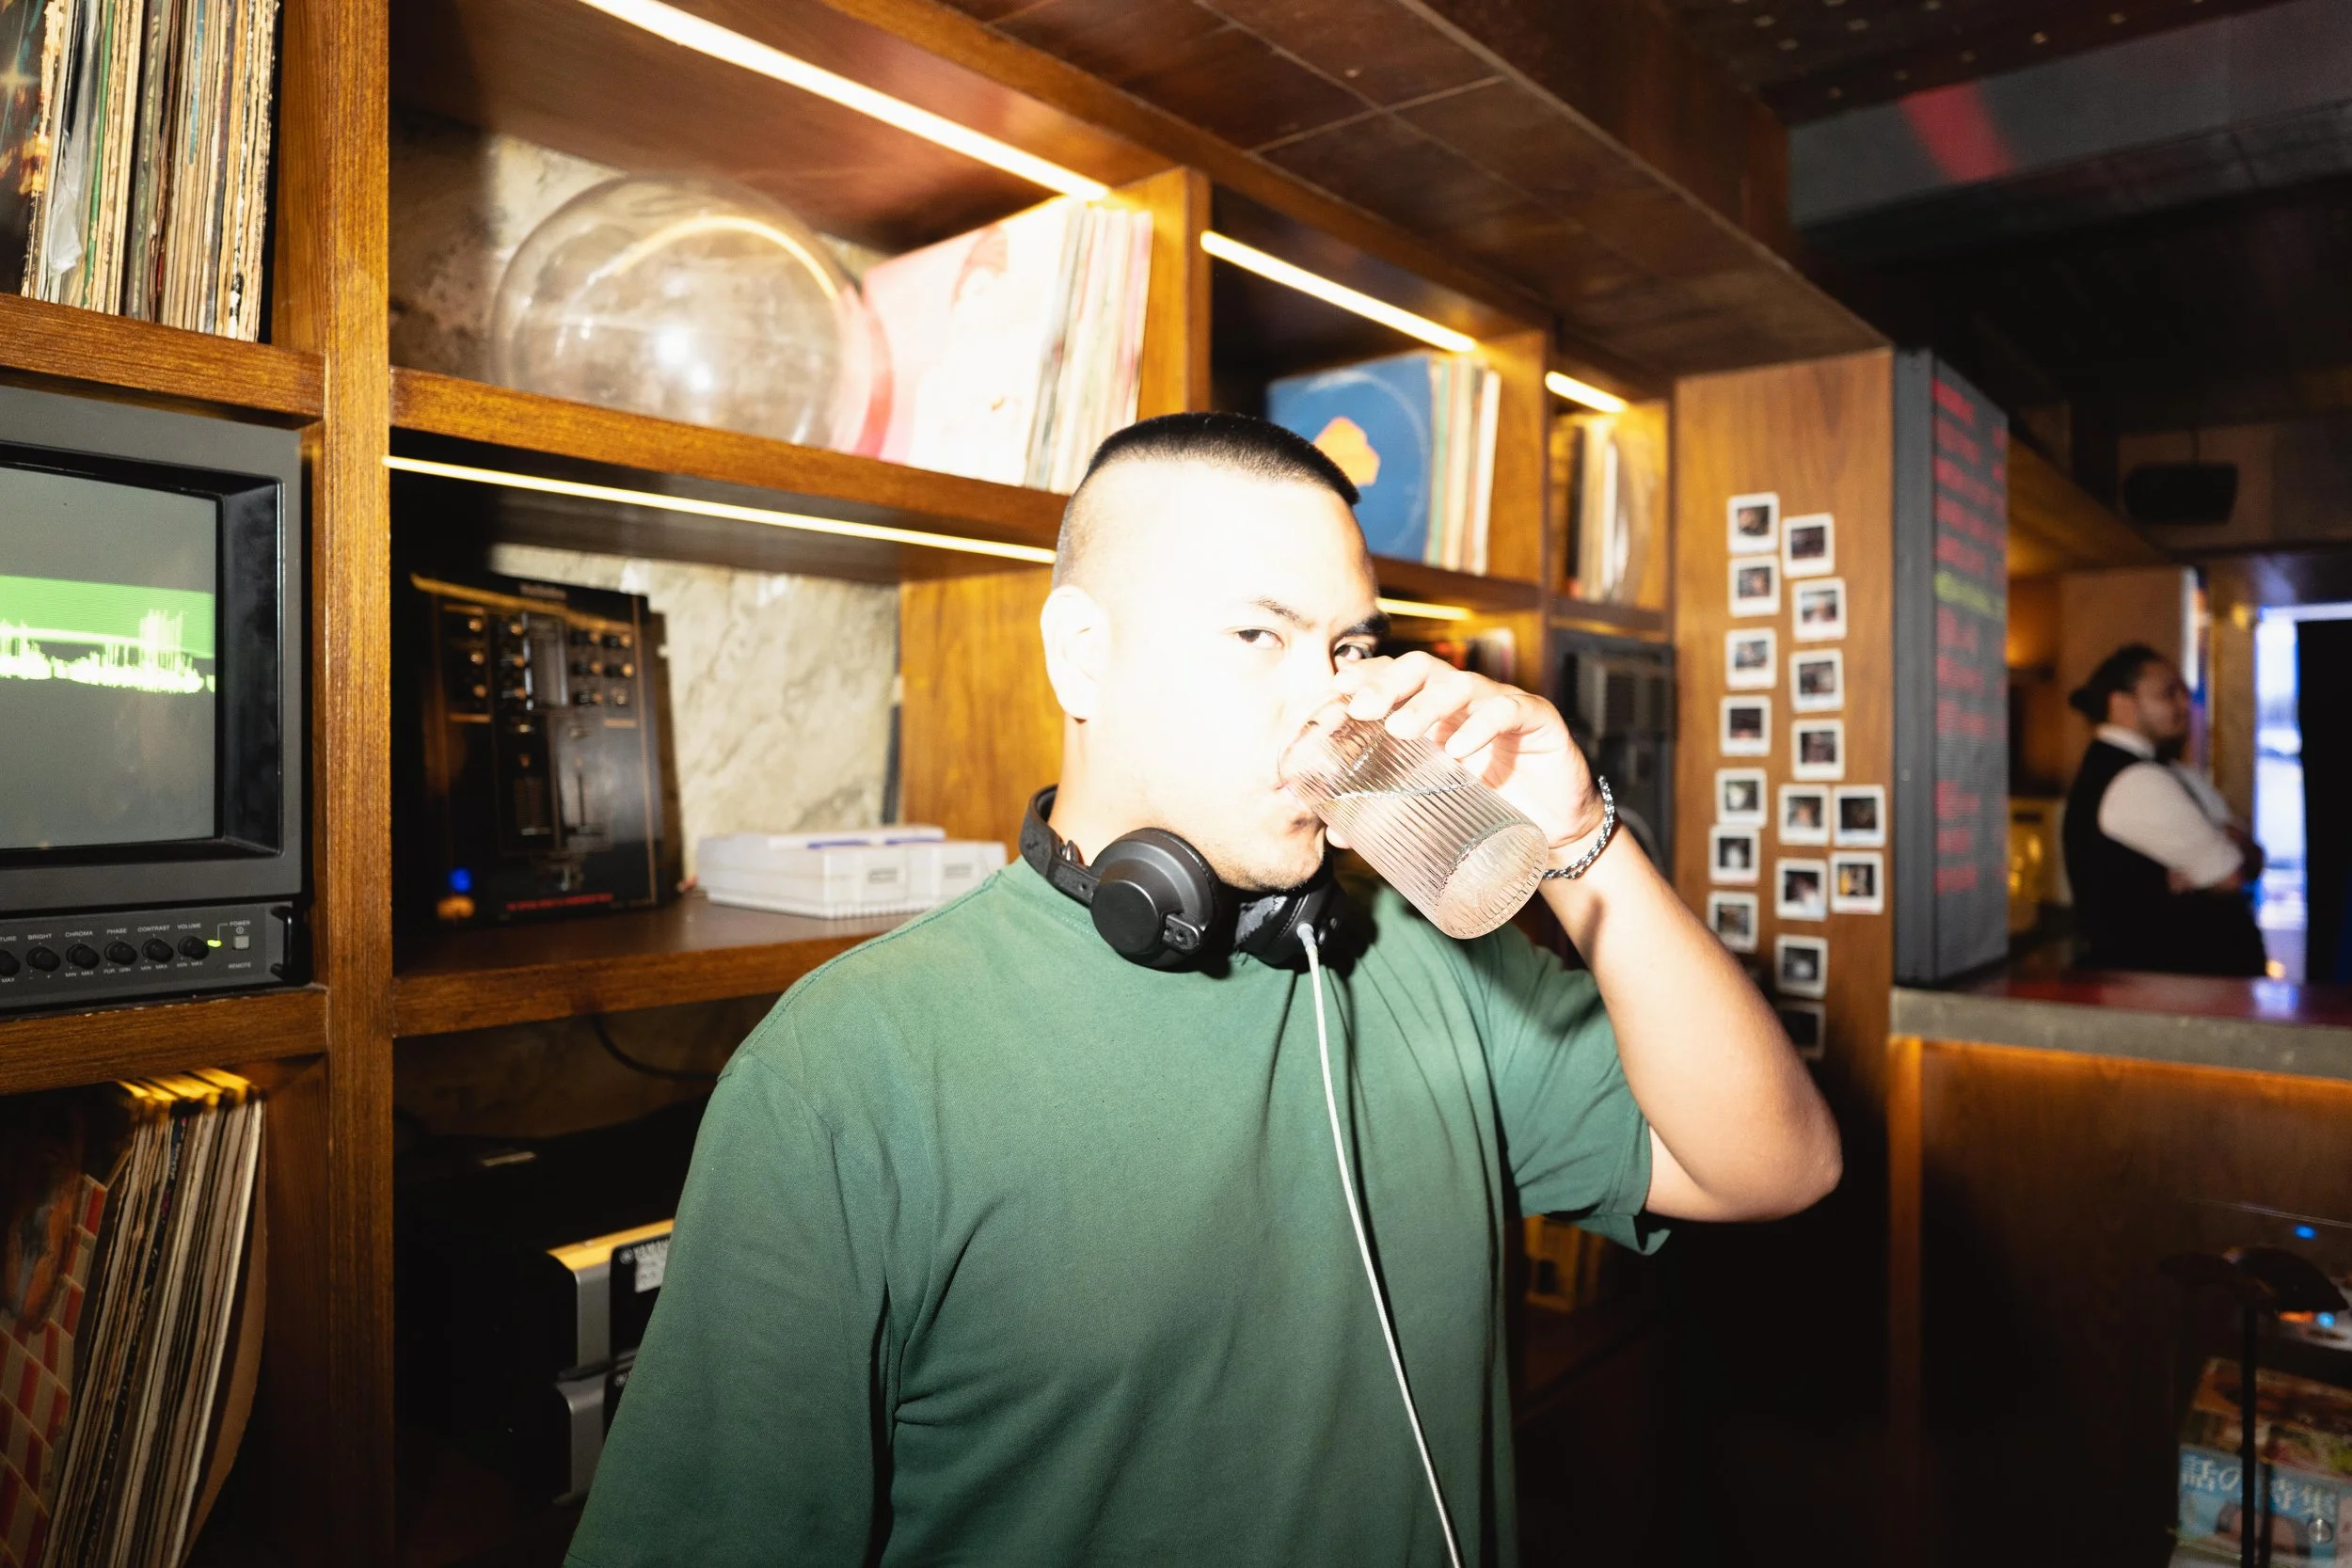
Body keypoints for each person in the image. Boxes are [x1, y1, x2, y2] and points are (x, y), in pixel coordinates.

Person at [566, 414, 1841, 1568]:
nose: (1328, 697)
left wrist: (1577, 833)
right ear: (1081, 656)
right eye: (1258, 635)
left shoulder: (1428, 951)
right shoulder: (845, 1073)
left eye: (1349, 643)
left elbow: (1773, 1164)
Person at [2060, 643, 2268, 976]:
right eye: (2168, 694)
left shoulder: (2169, 771)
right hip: (2171, 985)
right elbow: (2231, 874)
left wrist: (2227, 846)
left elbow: (2251, 857)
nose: (2185, 705)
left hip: (2190, 984)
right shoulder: (2133, 778)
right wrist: (2226, 845)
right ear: (2122, 704)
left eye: (2184, 693)